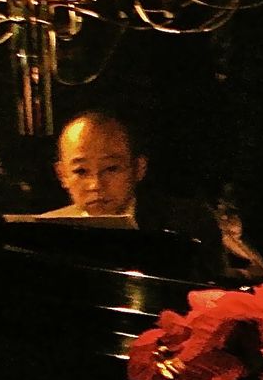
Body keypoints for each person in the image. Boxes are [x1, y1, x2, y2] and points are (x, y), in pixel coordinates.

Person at [45, 110, 230, 278]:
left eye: (111, 168)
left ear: (139, 168)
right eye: (81, 171)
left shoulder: (188, 223)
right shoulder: (48, 234)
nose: (96, 185)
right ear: (62, 175)